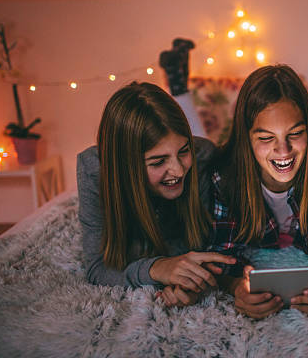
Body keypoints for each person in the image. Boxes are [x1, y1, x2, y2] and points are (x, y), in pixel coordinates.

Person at [207, 64, 308, 319]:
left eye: (296, 133)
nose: (284, 150)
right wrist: (236, 289)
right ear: (246, 139)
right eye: (266, 138)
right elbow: (220, 258)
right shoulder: (224, 178)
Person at [77, 81, 235, 307]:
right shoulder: (94, 170)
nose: (179, 171)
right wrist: (157, 268)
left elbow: (203, 247)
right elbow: (97, 268)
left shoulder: (202, 157)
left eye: (183, 151)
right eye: (159, 161)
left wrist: (188, 282)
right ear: (126, 166)